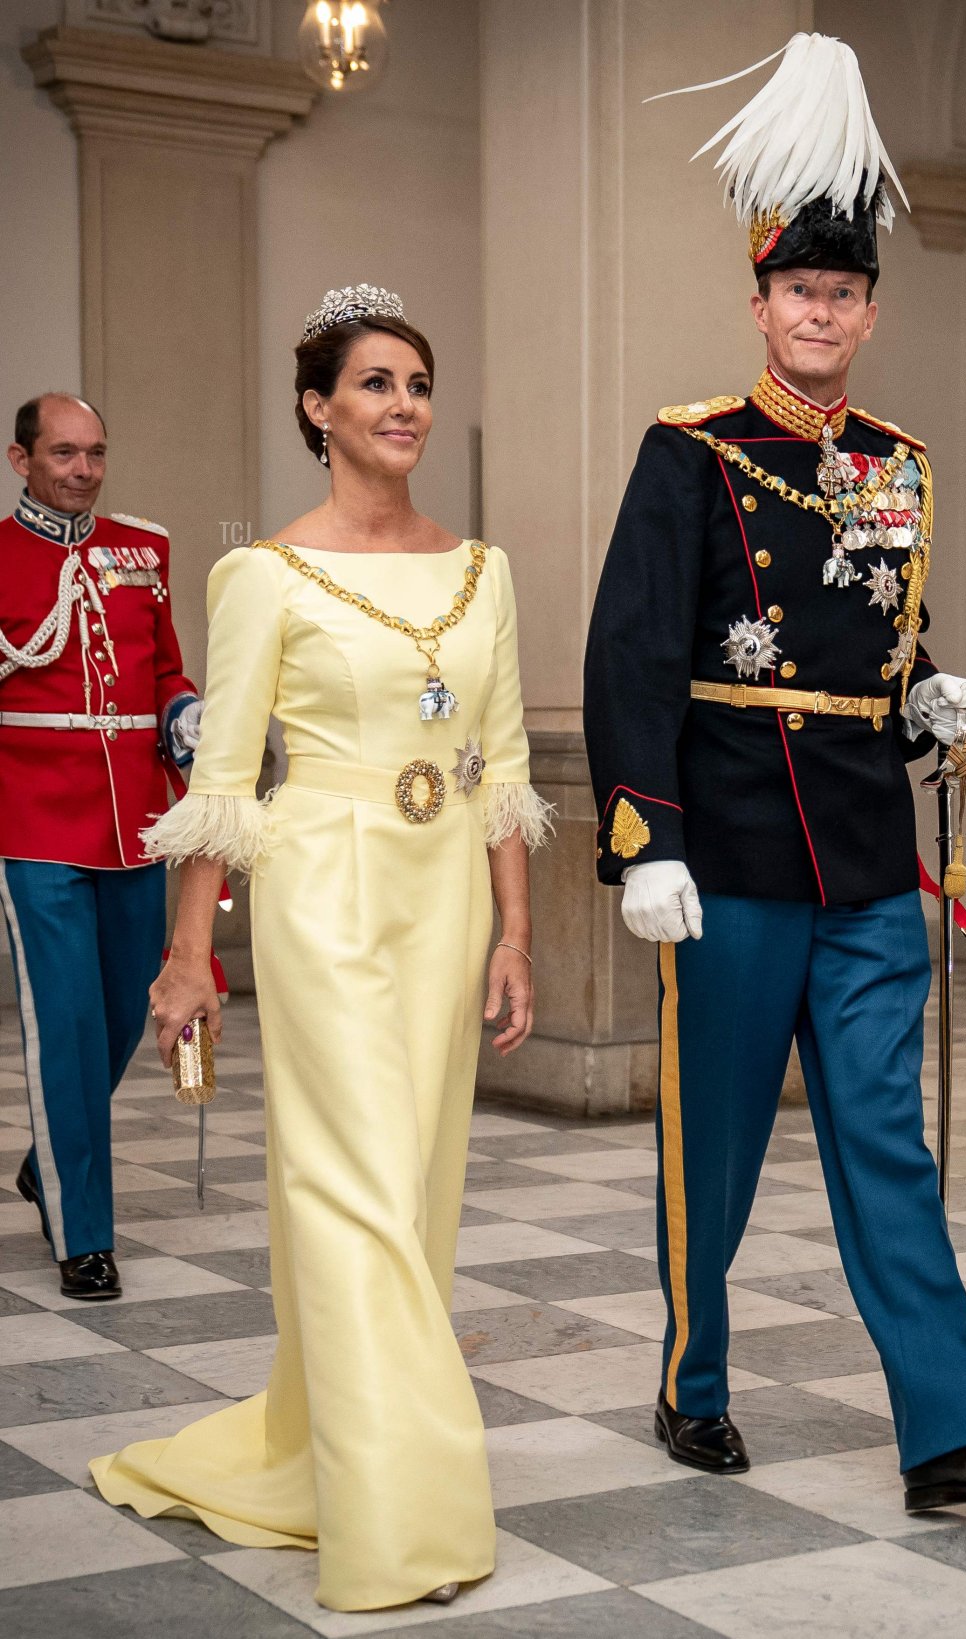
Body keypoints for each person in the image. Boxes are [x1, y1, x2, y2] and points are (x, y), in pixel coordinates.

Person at [583, 34, 966, 1513]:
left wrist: (931, 699)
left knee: (884, 1143)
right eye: (800, 290)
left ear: (870, 309)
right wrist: (641, 836)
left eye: (845, 293)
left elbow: (882, 643)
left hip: (859, 855)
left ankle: (946, 1427)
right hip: (724, 854)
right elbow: (634, 652)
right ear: (762, 301)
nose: (822, 313)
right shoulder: (692, 453)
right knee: (713, 1149)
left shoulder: (899, 466)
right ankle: (694, 1382)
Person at [90, 285, 552, 1611]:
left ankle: (319, 1445)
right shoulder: (263, 575)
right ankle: (399, 1508)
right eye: (374, 383)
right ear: (318, 407)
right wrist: (191, 955)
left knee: (412, 1193)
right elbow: (225, 785)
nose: (403, 404)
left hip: (444, 898)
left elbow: (501, 767)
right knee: (347, 1190)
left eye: (415, 382)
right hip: (321, 891)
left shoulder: (484, 572)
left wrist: (516, 928)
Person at [1, 392, 202, 1300]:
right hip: (33, 819)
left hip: (133, 825)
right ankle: (84, 1232)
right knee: (68, 1025)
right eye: (64, 453)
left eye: (95, 453)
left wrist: (186, 712)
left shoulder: (143, 549)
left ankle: (50, 1159)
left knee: (132, 1008)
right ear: (22, 460)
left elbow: (164, 667)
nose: (82, 470)